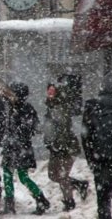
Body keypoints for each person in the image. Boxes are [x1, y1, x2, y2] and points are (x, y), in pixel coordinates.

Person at [0, 82, 50, 215]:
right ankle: (38, 200)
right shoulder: (16, 108)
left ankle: (39, 200)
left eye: (12, 93)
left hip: (18, 147)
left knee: (17, 175)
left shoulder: (23, 109)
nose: (9, 95)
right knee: (12, 175)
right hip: (18, 147)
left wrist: (17, 133)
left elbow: (32, 128)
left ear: (18, 95)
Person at [43, 82, 89, 211]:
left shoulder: (60, 107)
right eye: (49, 90)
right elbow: (50, 128)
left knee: (62, 176)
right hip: (55, 147)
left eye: (52, 90)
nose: (50, 92)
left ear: (57, 92)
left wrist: (59, 146)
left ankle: (69, 202)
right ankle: (79, 184)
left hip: (65, 147)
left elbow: (62, 129)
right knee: (53, 175)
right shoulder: (51, 106)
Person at [81, 75, 112, 219]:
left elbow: (85, 137)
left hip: (102, 161)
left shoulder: (93, 106)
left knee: (103, 200)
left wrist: (91, 160)